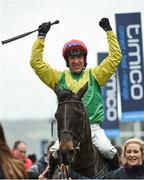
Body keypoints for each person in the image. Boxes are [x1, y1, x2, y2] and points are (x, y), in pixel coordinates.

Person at [30, 17, 122, 177]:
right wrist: (41, 37)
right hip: (68, 131)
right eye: (72, 58)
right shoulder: (58, 78)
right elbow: (36, 63)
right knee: (54, 151)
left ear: (84, 59)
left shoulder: (96, 75)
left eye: (79, 57)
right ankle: (48, 172)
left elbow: (115, 58)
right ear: (68, 60)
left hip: (93, 127)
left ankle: (119, 175)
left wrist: (109, 31)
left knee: (107, 149)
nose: (76, 61)